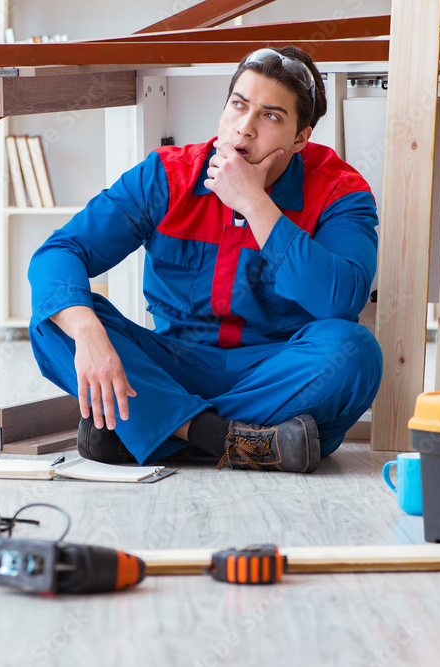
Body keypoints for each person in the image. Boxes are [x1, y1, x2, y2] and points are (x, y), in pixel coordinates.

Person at [26, 46, 382, 473]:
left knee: (354, 352)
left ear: (301, 137)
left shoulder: (339, 192)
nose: (244, 129)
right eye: (238, 105)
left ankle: (156, 430)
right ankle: (245, 442)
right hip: (175, 364)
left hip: (275, 370)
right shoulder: (167, 175)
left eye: (271, 117)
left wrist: (254, 203)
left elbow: (341, 300)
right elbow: (59, 252)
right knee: (55, 319)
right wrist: (86, 332)